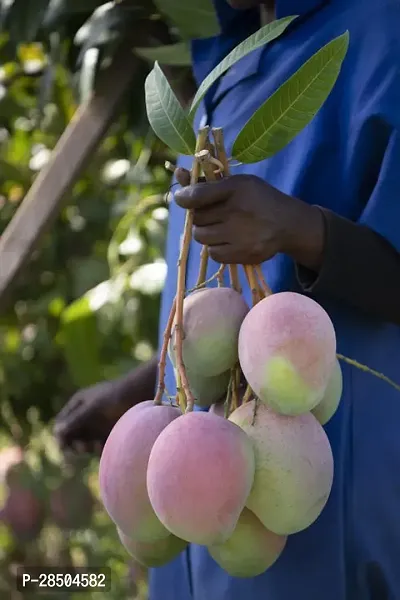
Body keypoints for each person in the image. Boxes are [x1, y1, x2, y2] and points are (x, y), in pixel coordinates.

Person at [55, 0, 400, 598]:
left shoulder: (384, 31)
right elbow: (243, 314)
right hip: (208, 517)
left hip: (330, 520)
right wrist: (149, 387)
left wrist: (300, 229)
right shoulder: (223, 62)